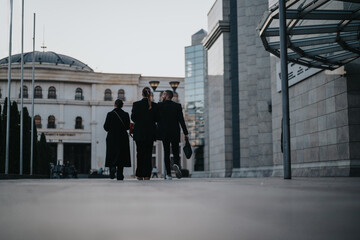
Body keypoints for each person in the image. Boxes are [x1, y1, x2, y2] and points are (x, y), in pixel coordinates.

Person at [158, 90, 188, 180]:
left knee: (166, 153)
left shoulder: (160, 105)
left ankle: (168, 174)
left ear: (166, 96)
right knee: (175, 151)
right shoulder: (177, 106)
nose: (162, 96)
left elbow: (156, 118)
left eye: (163, 94)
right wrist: (186, 133)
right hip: (175, 131)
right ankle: (176, 164)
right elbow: (181, 120)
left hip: (164, 132)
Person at [131, 87, 158, 180]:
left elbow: (133, 118)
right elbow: (157, 119)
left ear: (142, 94)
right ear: (150, 94)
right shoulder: (154, 105)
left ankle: (139, 174)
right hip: (150, 133)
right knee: (148, 154)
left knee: (140, 154)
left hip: (139, 133)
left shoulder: (136, 104)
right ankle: (147, 175)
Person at [104, 99, 131, 180]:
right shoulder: (126, 114)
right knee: (121, 155)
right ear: (122, 105)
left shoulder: (110, 114)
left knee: (111, 153)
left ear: (115, 105)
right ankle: (120, 174)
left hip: (112, 137)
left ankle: (112, 168)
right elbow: (127, 126)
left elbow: (106, 127)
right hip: (122, 137)